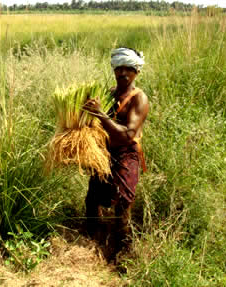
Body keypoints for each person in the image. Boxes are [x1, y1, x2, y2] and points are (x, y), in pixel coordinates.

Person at [83, 47, 149, 260]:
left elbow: (127, 135)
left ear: (136, 71)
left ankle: (122, 249)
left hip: (126, 153)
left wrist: (101, 114)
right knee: (93, 198)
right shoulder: (110, 94)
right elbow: (95, 123)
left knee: (122, 200)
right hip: (105, 152)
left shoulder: (139, 99)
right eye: (118, 68)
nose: (123, 73)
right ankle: (92, 239)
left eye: (128, 69)